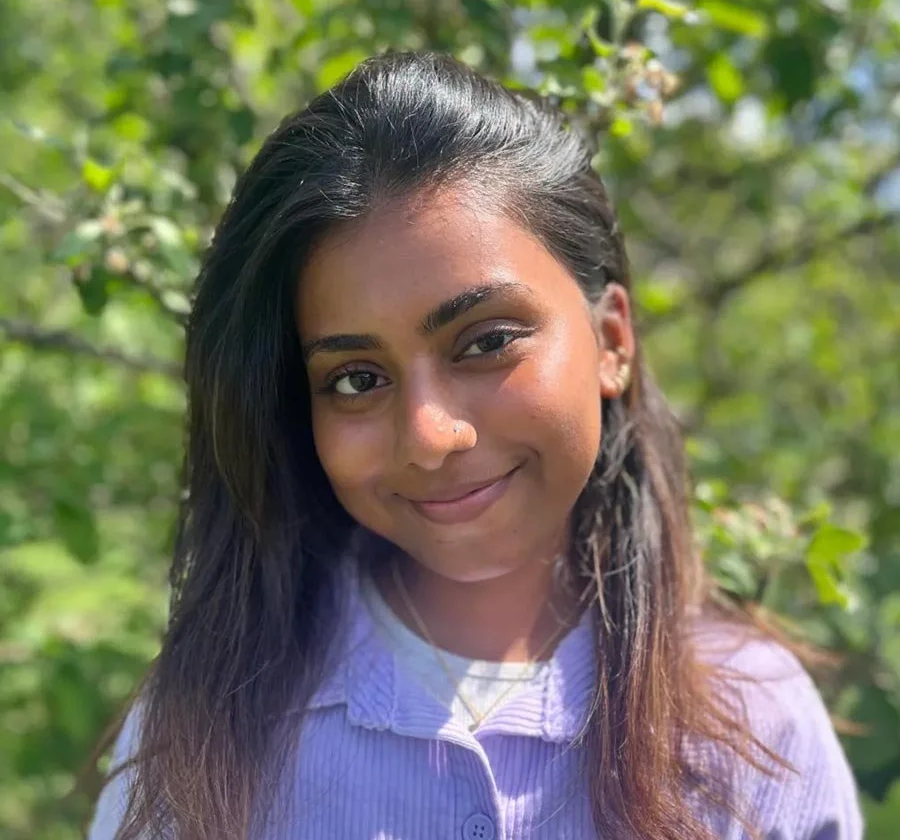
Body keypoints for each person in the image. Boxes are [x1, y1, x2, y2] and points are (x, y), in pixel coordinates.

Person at [87, 51, 862, 840]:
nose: (430, 436)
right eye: (356, 380)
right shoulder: (200, 734)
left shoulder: (758, 719)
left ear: (613, 340)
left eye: (486, 341)